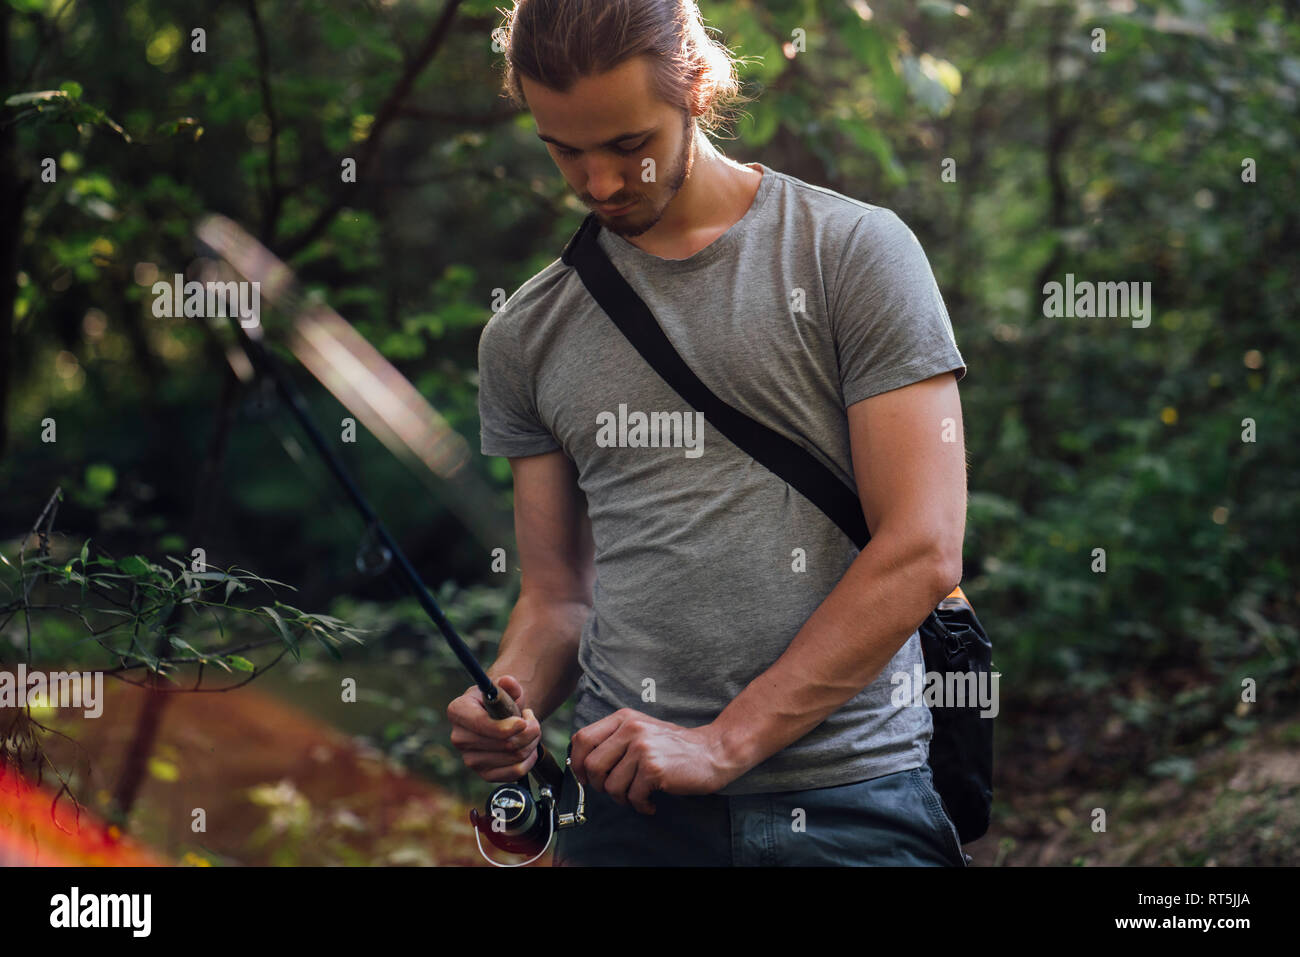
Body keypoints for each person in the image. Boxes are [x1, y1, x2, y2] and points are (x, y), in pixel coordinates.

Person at [448, 0, 971, 866]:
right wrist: (512, 693)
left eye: (627, 144)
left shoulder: (851, 255)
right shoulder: (525, 334)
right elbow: (557, 597)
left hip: (849, 799)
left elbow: (922, 545)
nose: (602, 183)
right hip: (628, 814)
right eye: (565, 151)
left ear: (696, 83)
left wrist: (723, 742)